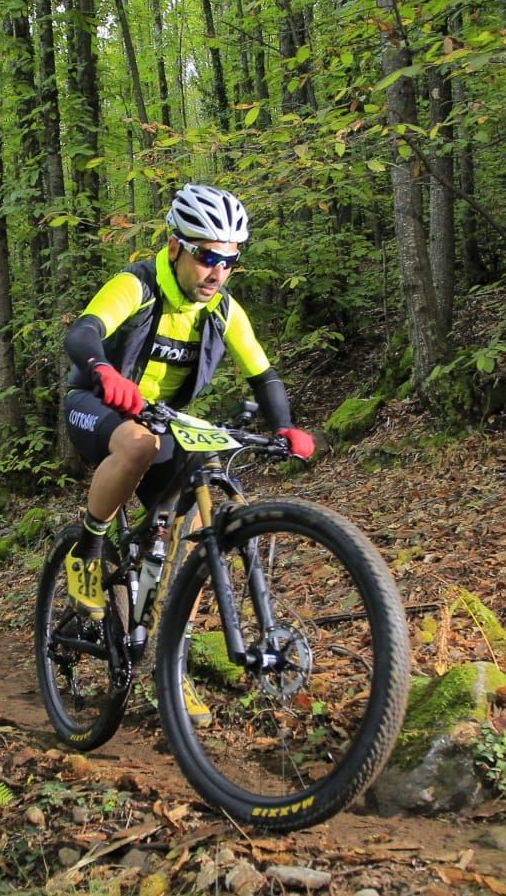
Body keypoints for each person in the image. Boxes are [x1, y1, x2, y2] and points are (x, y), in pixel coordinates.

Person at [60, 183, 315, 717]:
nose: (216, 272)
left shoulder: (223, 311)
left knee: (177, 532)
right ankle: (88, 548)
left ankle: (169, 665)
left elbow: (263, 375)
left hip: (165, 418)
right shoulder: (139, 284)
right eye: (206, 257)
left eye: (228, 261)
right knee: (137, 442)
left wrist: (286, 426)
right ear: (175, 246)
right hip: (96, 400)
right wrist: (104, 371)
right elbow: (82, 334)